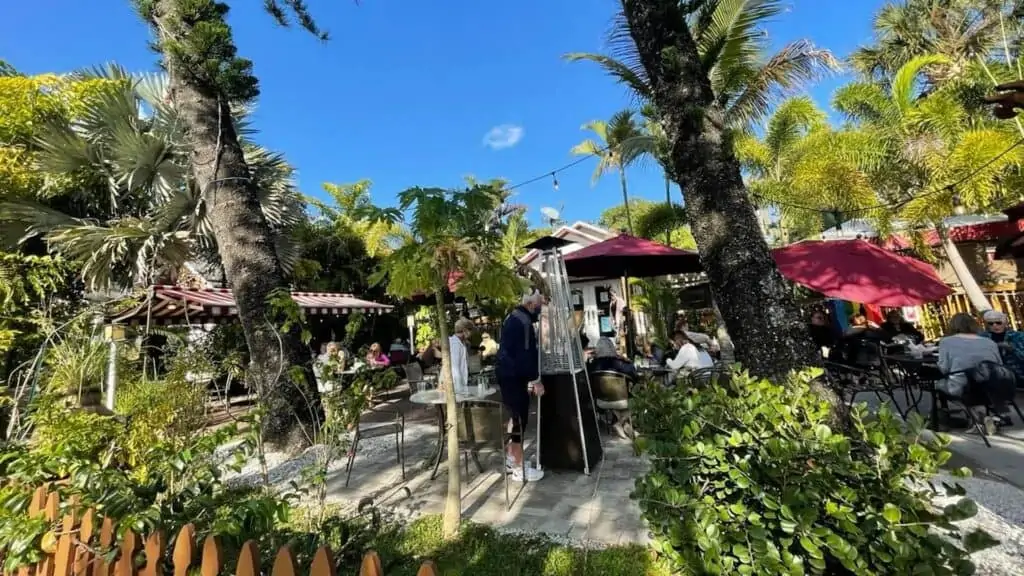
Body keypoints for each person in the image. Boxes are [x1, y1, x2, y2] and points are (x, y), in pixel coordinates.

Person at [496, 292, 546, 482]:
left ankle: (512, 458)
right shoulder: (524, 322)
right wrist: (535, 380)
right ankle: (518, 467)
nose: (540, 308)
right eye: (539, 304)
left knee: (514, 417)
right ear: (532, 304)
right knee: (519, 419)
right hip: (513, 375)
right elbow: (525, 354)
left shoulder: (512, 316)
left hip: (506, 373)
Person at [938, 313, 1011, 430]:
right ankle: (985, 415)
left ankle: (973, 418)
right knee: (972, 382)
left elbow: (944, 368)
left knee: (939, 385)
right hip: (994, 386)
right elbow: (999, 364)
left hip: (965, 388)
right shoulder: (989, 342)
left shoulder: (946, 342)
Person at [980, 309, 1024, 384]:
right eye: (991, 323)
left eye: (998, 323)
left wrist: (1013, 349)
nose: (995, 325)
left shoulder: (1018, 336)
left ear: (1005, 323)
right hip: (993, 377)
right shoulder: (982, 338)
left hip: (1018, 375)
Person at [446, 318, 475, 394]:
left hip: (460, 383)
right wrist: (460, 388)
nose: (471, 333)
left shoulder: (461, 343)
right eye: (470, 330)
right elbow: (455, 367)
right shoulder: (455, 344)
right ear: (465, 330)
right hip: (456, 385)